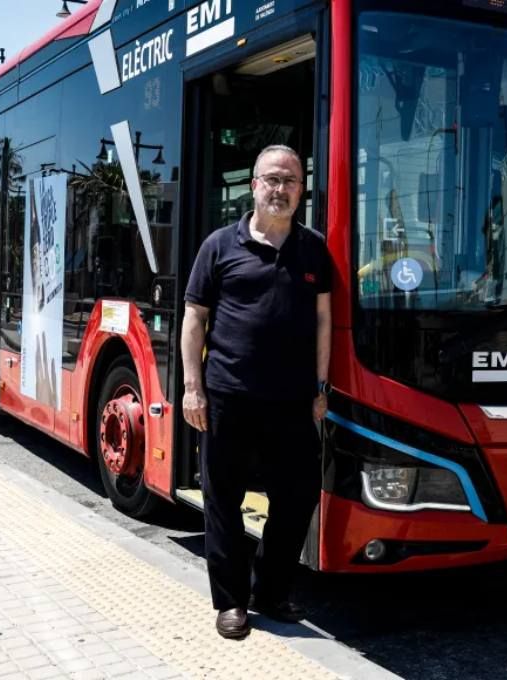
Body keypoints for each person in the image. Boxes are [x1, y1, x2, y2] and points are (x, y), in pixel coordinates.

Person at [180, 145, 332, 640]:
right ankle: (231, 602)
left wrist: (320, 387)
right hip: (227, 397)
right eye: (271, 179)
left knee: (298, 495)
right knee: (223, 499)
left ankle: (270, 590)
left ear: (301, 189)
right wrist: (191, 388)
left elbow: (325, 320)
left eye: (290, 180)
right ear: (253, 186)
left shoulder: (314, 250)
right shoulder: (219, 246)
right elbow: (194, 319)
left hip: (291, 400)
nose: (280, 188)